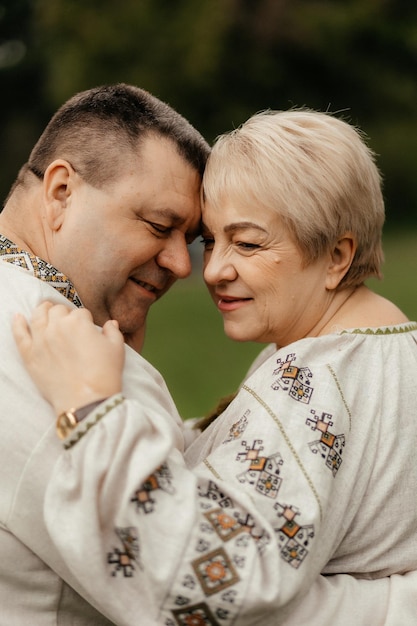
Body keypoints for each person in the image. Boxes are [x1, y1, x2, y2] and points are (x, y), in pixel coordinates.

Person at [12, 109, 417, 625]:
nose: (210, 270)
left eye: (247, 243)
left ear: (336, 256)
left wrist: (91, 407)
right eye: (212, 242)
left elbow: (209, 580)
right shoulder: (382, 352)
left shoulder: (313, 377)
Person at [0, 82, 210, 625]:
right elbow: (197, 592)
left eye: (189, 238)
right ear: (62, 191)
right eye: (160, 226)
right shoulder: (57, 350)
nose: (181, 265)